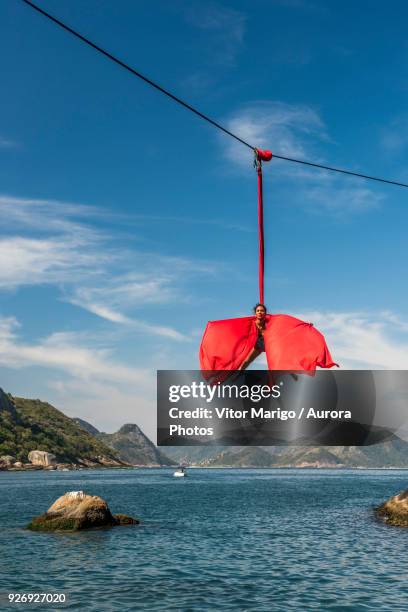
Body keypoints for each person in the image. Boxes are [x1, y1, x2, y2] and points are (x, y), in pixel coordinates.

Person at [239, 303, 267, 370]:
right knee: (246, 361)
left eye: (262, 311)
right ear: (255, 313)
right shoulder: (252, 324)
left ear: (265, 313)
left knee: (278, 360)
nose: (260, 312)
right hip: (258, 345)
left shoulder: (269, 323)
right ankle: (237, 375)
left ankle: (291, 374)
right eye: (258, 311)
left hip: (268, 344)